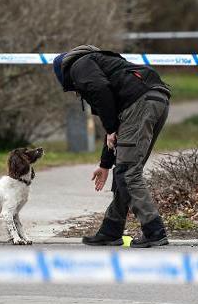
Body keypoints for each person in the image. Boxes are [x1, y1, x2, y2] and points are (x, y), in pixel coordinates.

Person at [52, 45, 172, 248]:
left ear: (64, 75)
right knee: (126, 172)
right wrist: (105, 164)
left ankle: (154, 231)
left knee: (127, 173)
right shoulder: (100, 63)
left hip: (140, 103)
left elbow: (102, 95)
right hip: (157, 99)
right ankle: (111, 230)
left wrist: (109, 129)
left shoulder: (78, 67)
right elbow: (114, 128)